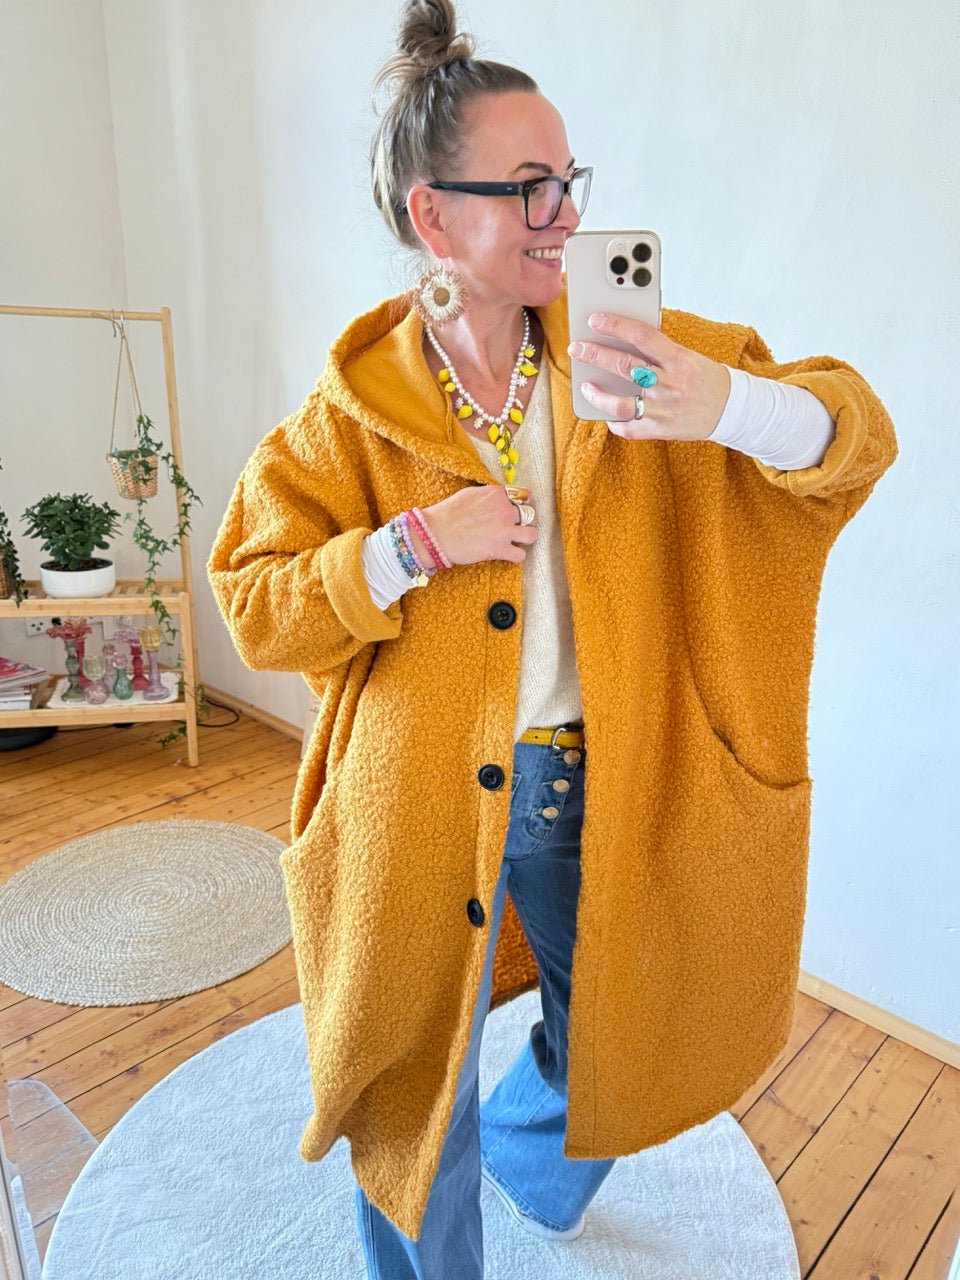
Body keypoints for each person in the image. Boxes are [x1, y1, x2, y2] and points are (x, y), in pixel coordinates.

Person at [207, 0, 898, 1274]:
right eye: (530, 188)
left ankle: (535, 1159)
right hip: (411, 803)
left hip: (603, 786)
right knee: (413, 1096)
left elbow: (855, 433)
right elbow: (253, 599)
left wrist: (728, 406)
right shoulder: (351, 415)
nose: (565, 216)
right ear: (434, 217)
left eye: (569, 181)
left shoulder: (632, 359)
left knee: (619, 1036)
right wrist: (411, 545)